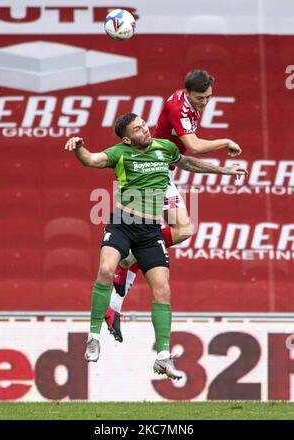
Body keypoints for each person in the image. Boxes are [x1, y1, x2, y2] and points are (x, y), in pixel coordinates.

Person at [65, 113, 247, 380]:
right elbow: (92, 160)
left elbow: (189, 163)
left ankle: (163, 358)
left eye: (144, 125)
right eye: (138, 130)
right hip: (122, 223)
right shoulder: (119, 153)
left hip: (150, 232)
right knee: (105, 269)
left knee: (162, 290)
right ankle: (93, 336)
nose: (145, 131)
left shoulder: (166, 148)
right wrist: (80, 147)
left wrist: (224, 170)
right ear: (128, 139)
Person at [105, 70, 243, 342]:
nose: (205, 102)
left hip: (164, 170)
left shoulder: (189, 101)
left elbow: (185, 154)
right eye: (201, 98)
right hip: (153, 172)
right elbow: (193, 146)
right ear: (189, 93)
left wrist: (225, 170)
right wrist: (226, 142)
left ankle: (126, 269)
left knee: (183, 230)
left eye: (209, 98)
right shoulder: (179, 106)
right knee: (182, 230)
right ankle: (126, 266)